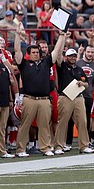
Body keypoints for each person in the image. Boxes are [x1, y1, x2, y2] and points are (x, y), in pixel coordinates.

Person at [14, 25, 64, 157]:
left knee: (44, 125)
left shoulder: (45, 63)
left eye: (38, 52)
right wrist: (18, 35)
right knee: (25, 125)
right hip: (29, 98)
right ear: (29, 54)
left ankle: (45, 147)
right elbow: (17, 51)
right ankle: (20, 149)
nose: (36, 54)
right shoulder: (24, 64)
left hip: (44, 99)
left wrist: (62, 36)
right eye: (34, 52)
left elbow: (56, 51)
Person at [54, 44, 94, 155]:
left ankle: (84, 145)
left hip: (78, 97)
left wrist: (82, 83)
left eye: (74, 56)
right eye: (70, 56)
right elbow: (57, 57)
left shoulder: (79, 69)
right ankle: (58, 145)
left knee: (82, 121)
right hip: (65, 96)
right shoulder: (62, 66)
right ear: (66, 56)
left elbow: (87, 83)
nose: (72, 58)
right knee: (63, 122)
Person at [0, 52, 16, 158]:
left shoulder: (4, 67)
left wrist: (10, 100)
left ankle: (2, 150)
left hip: (4, 102)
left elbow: (9, 83)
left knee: (2, 128)